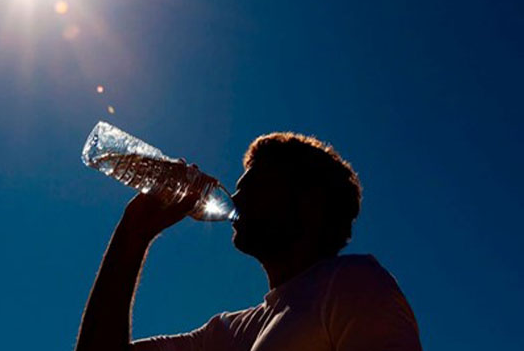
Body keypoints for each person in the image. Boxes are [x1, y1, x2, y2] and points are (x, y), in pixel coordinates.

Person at [74, 132, 422, 351]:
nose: (236, 196)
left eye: (254, 185)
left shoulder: (353, 282)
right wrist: (133, 233)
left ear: (309, 202)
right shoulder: (228, 333)